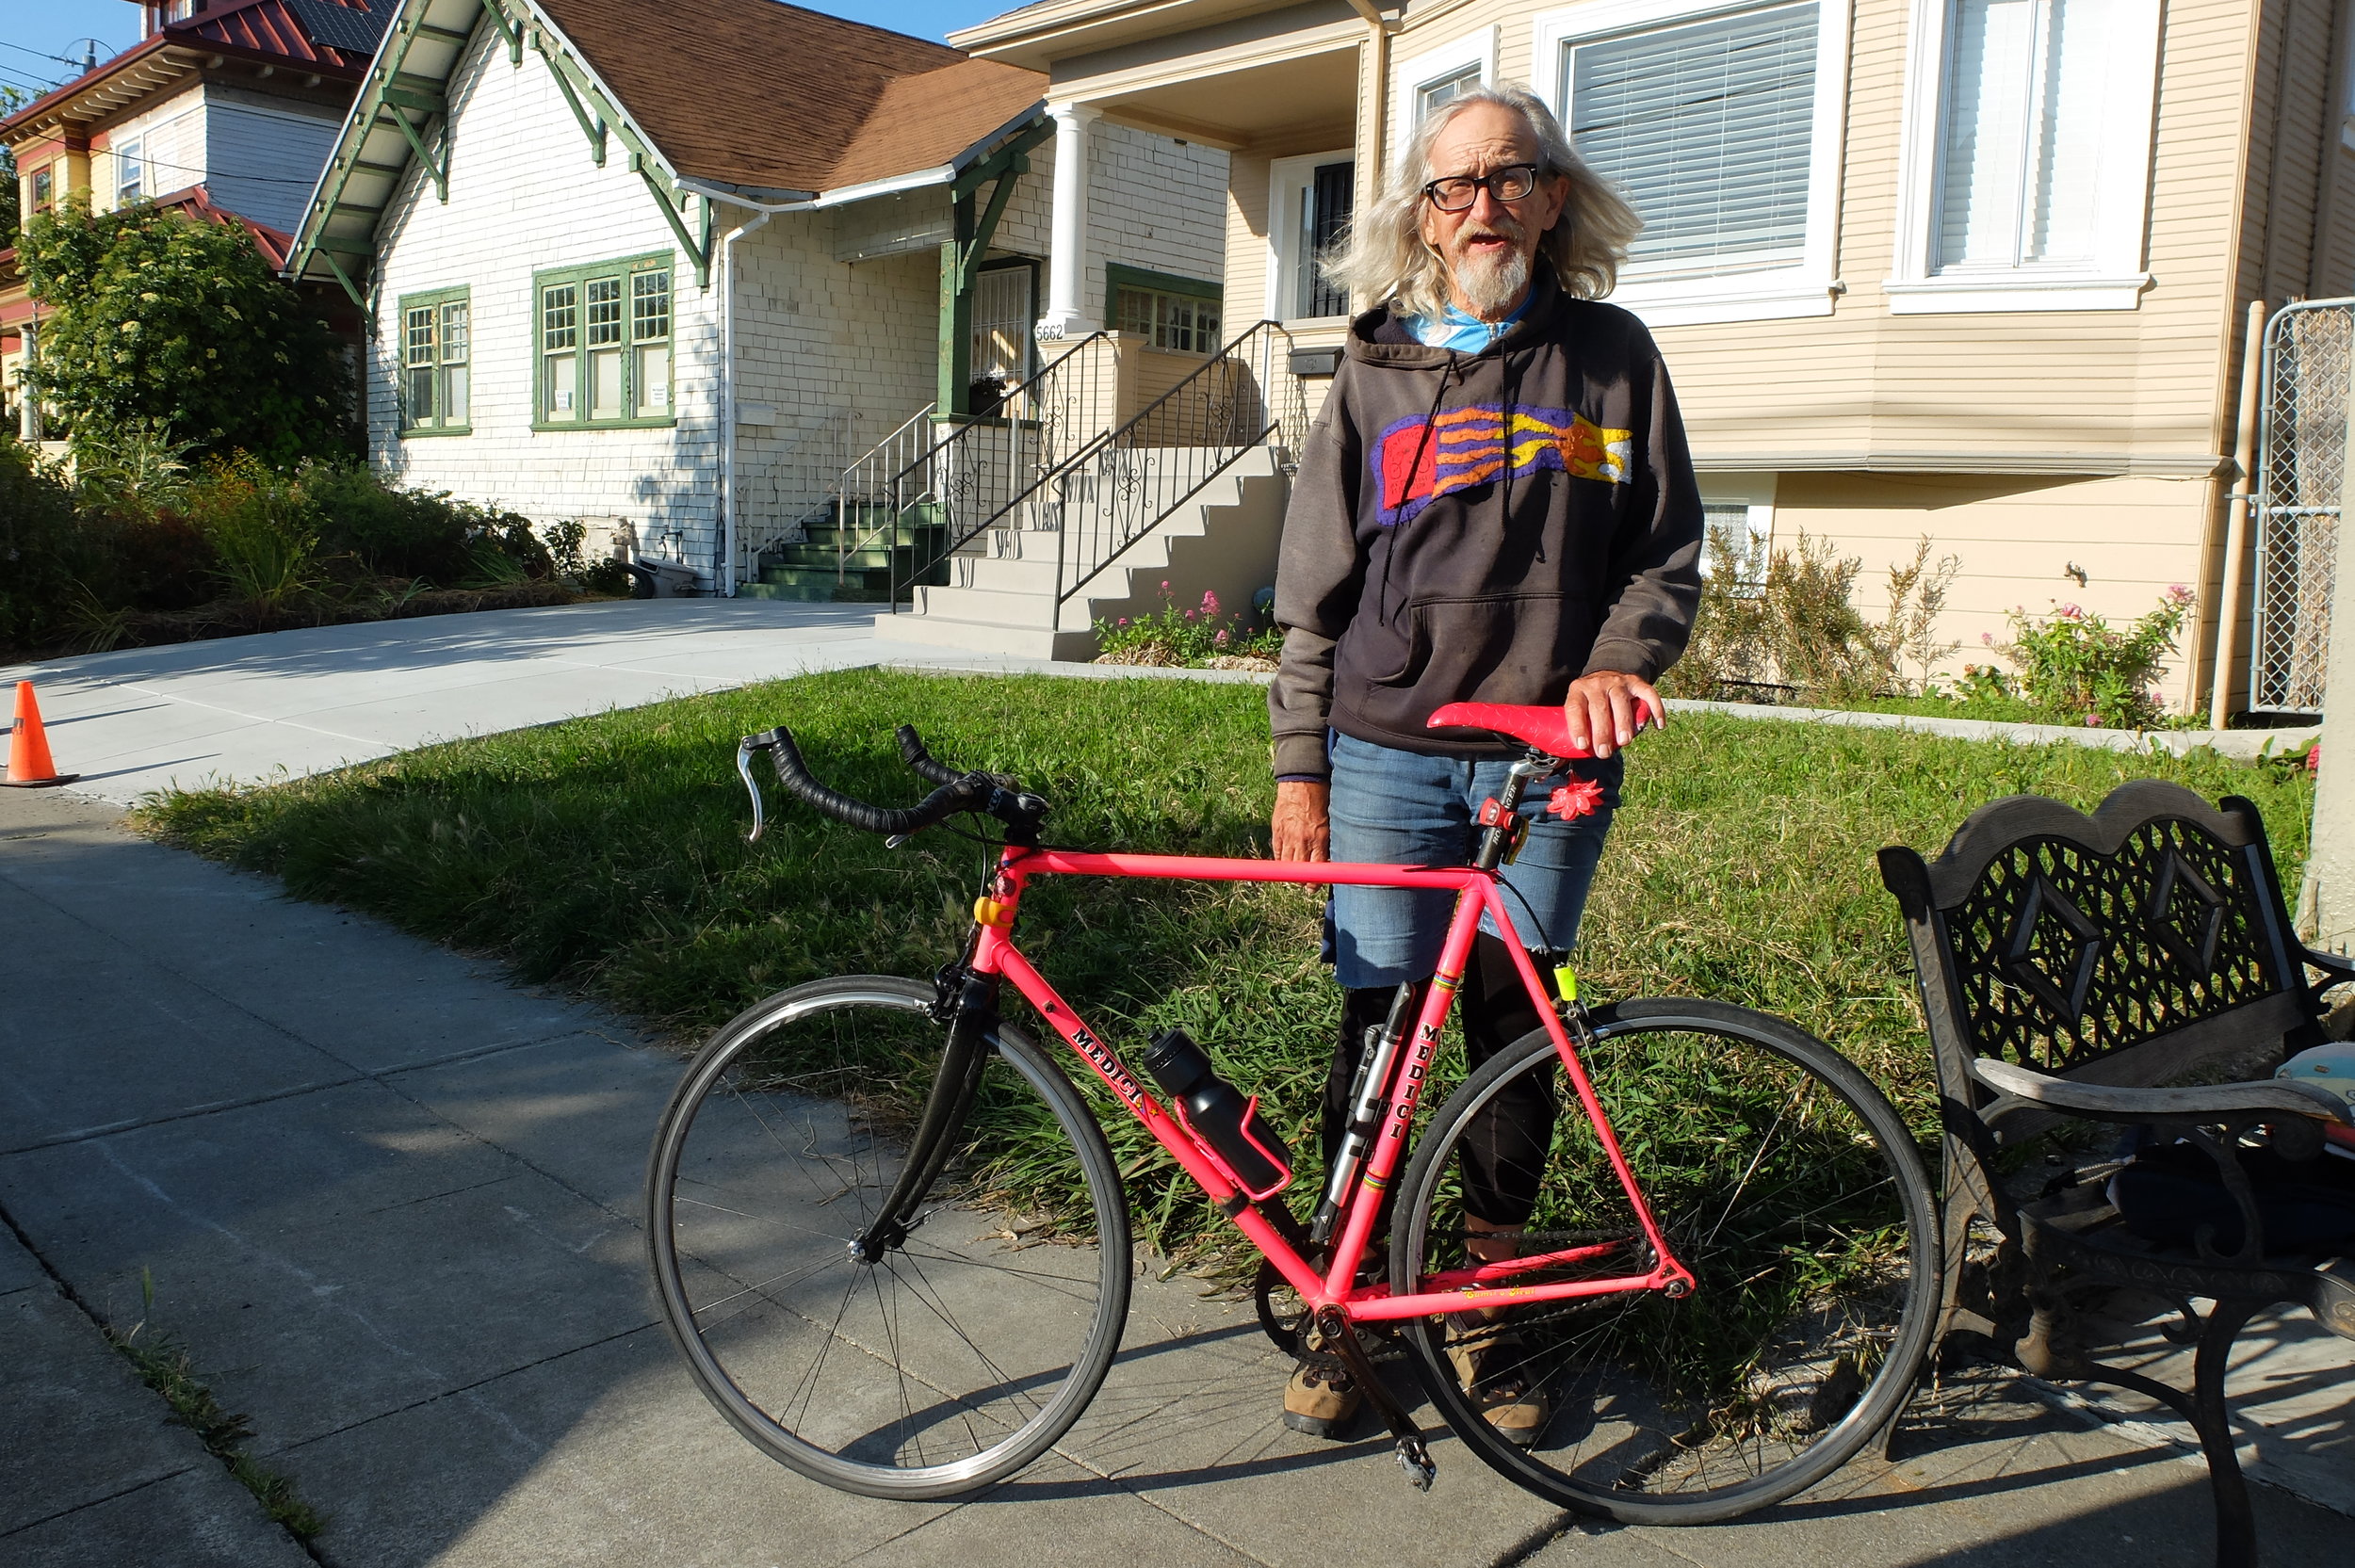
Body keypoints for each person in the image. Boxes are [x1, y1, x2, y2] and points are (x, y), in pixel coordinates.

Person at [1265, 84, 1703, 1445]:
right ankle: (1352, 1306)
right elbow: (1311, 586)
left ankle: (1488, 1300)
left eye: (1507, 179)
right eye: (1451, 188)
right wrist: (1300, 765)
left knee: (1518, 1027)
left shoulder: (1616, 357)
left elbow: (1666, 553)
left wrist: (1618, 660)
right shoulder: (1377, 370)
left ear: (1553, 196)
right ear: (1419, 213)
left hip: (1548, 759)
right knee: (1379, 1024)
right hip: (1385, 751)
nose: (1479, 209)